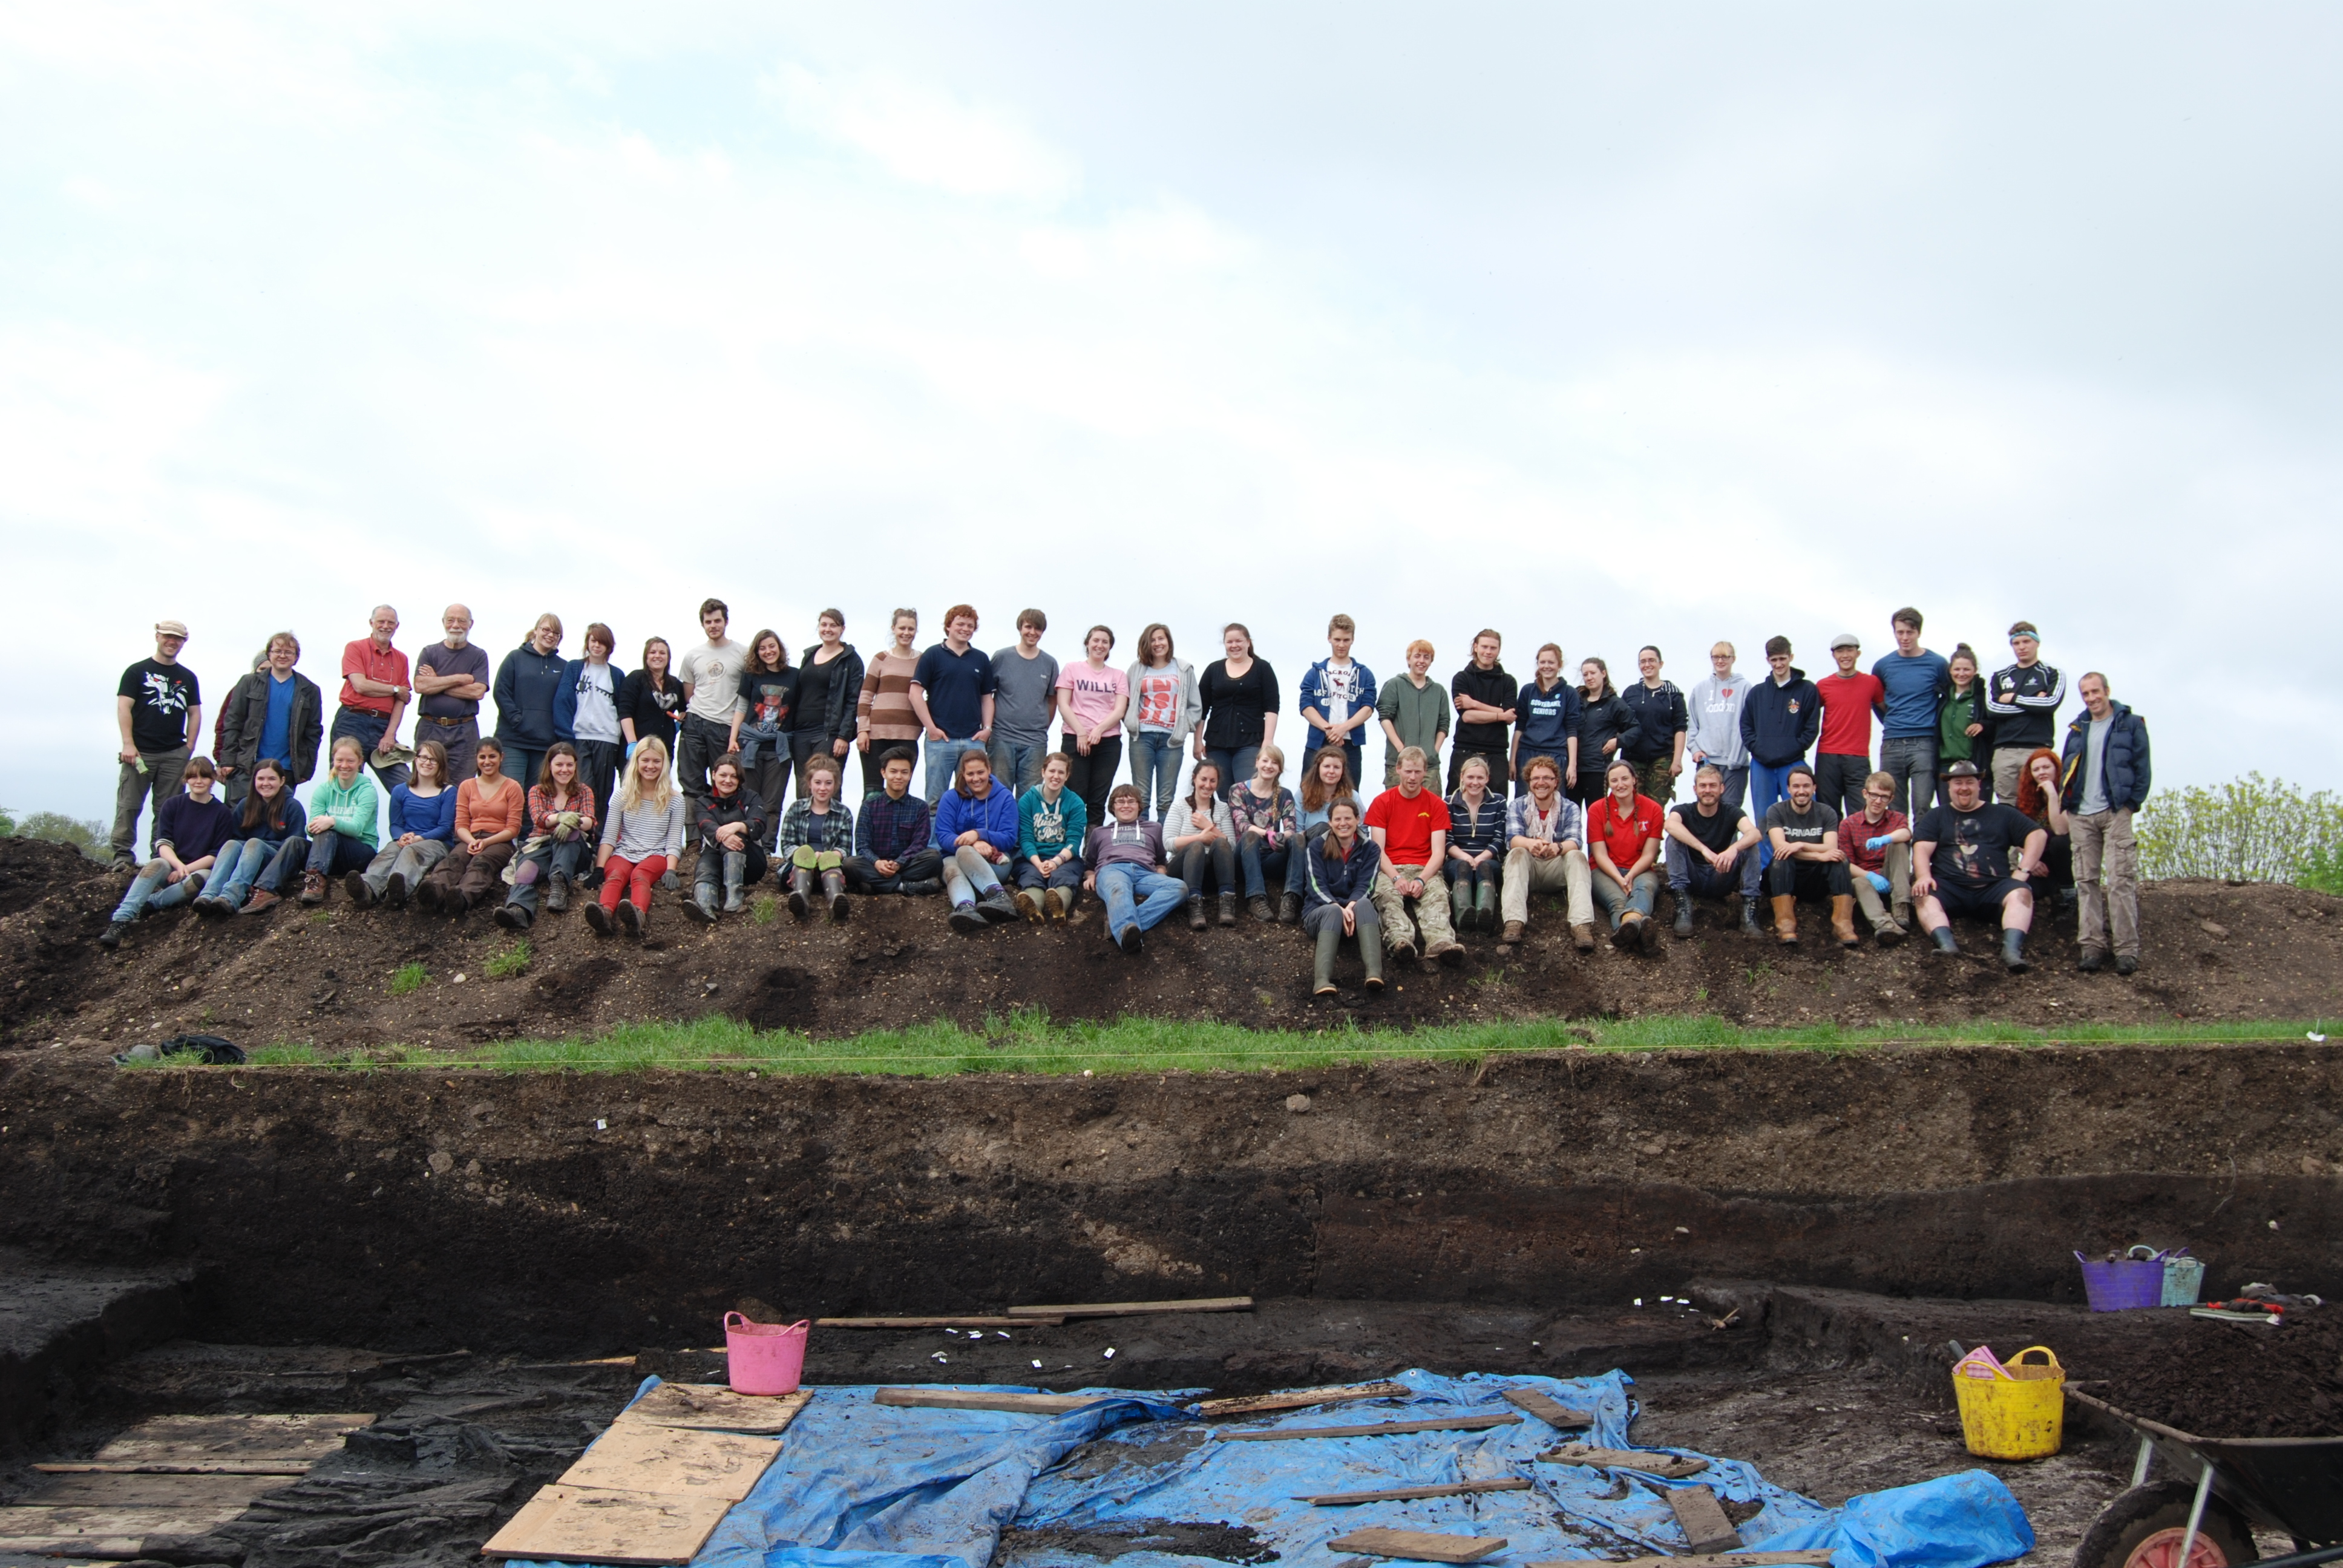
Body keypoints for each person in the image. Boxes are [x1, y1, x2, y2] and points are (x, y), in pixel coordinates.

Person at [1912, 760, 2048, 972]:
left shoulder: (2002, 813)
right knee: (1922, 895)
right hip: (1950, 888)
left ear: (1979, 785)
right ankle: (1947, 946)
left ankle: (2011, 951)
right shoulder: (1936, 816)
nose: (1964, 788)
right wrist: (1923, 875)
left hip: (1994, 889)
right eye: (1958, 783)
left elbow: (2038, 834)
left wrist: (2023, 871)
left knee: (2022, 892)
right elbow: (1921, 849)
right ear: (1949, 787)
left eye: (1969, 782)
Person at [2059, 672, 2151, 976]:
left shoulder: (2131, 724)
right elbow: (2067, 769)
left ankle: (2126, 950)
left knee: (2121, 880)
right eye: (2085, 694)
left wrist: (2130, 804)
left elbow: (2142, 767)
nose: (2091, 698)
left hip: (2115, 812)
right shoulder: (2076, 728)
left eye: (2095, 692)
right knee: (2086, 882)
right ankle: (2092, 947)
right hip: (2082, 814)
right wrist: (2068, 802)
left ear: (2107, 691)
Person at [98, 756, 235, 946]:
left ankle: (151, 903)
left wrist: (186, 870)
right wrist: (178, 866)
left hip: (197, 871)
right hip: (170, 867)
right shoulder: (173, 805)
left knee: (202, 878)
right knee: (156, 864)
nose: (198, 781)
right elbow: (163, 843)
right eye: (193, 777)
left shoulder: (222, 813)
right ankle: (121, 920)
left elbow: (215, 855)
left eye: (204, 777)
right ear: (186, 779)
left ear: (213, 779)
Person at [112, 619, 204, 870]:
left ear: (184, 643)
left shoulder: (187, 677)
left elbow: (194, 712)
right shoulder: (136, 671)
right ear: (157, 637)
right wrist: (128, 744)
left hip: (175, 753)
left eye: (178, 639)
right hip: (140, 752)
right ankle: (122, 855)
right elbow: (124, 707)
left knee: (168, 810)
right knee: (129, 805)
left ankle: (161, 858)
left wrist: (190, 747)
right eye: (167, 636)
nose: (172, 642)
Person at [1366, 746, 1463, 965]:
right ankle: (1400, 941)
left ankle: (1441, 943)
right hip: (1390, 868)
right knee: (1386, 899)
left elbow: (1439, 852)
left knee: (1438, 897)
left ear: (1425, 772)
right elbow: (1377, 850)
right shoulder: (1382, 803)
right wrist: (1396, 878)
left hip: (1424, 868)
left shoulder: (1436, 804)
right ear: (1398, 769)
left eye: (1418, 772)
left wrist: (1422, 879)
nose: (1413, 777)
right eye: (1408, 771)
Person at [588, 737, 686, 938]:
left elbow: (674, 839)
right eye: (645, 761)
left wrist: (671, 870)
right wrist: (599, 868)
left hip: (656, 854)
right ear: (637, 763)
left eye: (656, 761)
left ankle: (637, 915)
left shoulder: (676, 800)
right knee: (615, 874)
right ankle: (605, 914)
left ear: (664, 764)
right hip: (624, 851)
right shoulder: (622, 795)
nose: (650, 766)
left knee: (639, 875)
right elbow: (609, 835)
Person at [1498, 755, 1595, 955]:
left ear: (1556, 782)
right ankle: (1514, 922)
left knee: (1577, 856)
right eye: (1535, 779)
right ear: (1529, 782)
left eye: (1547, 778)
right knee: (1517, 852)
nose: (1541, 783)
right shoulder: (1518, 806)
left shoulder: (1570, 808)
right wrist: (1529, 843)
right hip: (1530, 869)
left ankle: (1582, 925)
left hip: (1556, 868)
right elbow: (1512, 838)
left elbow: (1575, 840)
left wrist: (1558, 848)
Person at [343, 740, 456, 910]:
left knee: (411, 851)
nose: (427, 762)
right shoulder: (400, 790)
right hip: (406, 840)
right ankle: (365, 890)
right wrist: (400, 836)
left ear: (441, 764)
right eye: (423, 757)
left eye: (433, 759)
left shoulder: (448, 792)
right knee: (390, 851)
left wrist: (418, 838)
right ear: (415, 760)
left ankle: (397, 892)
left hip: (437, 843)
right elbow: (395, 824)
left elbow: (445, 828)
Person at [417, 736, 523, 916]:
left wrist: (487, 843)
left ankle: (462, 898)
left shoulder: (512, 787)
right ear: (476, 758)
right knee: (454, 860)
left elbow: (513, 828)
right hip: (470, 838)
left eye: (492, 756)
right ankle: (433, 894)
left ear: (501, 757)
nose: (487, 762)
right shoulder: (467, 786)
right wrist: (472, 841)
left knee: (481, 863)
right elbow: (461, 824)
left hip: (499, 842)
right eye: (482, 757)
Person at [217, 631, 323, 809]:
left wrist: (307, 769)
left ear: (296, 657)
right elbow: (233, 722)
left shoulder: (309, 690)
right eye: (278, 651)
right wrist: (227, 760)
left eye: (289, 652)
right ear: (269, 654)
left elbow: (313, 732)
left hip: (287, 768)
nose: (283, 656)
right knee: (238, 818)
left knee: (277, 822)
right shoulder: (248, 682)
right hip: (247, 764)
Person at [496, 744, 597, 931]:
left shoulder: (584, 791)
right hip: (540, 845)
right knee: (525, 873)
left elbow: (590, 821)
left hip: (574, 850)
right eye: (559, 765)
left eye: (569, 765)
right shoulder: (537, 791)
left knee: (570, 833)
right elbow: (539, 819)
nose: (564, 770)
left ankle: (559, 889)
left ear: (575, 766)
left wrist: (570, 822)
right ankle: (518, 910)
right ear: (550, 766)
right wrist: (560, 817)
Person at [194, 757, 309, 916]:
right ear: (254, 780)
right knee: (231, 844)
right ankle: (208, 895)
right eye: (261, 779)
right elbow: (236, 837)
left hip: (276, 863)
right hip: (247, 860)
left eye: (272, 779)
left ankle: (231, 897)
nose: (266, 783)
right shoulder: (246, 805)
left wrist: (258, 846)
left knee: (254, 843)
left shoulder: (293, 807)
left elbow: (295, 847)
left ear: (282, 781)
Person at [1739, 637, 1820, 863]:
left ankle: (1803, 866)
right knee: (1764, 818)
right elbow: (1746, 726)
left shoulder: (1807, 690)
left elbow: (1811, 728)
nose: (1779, 664)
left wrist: (1793, 749)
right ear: (1768, 660)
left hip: (1793, 764)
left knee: (1799, 815)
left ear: (1791, 657)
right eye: (1774, 660)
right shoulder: (1757, 693)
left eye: (1783, 659)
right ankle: (1768, 870)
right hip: (1762, 764)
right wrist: (1757, 749)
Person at [912, 605, 998, 807]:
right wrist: (931, 728)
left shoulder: (981, 659)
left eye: (970, 625)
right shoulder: (933, 655)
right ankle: (934, 841)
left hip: (973, 740)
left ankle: (969, 839)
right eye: (960, 624)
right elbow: (915, 693)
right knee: (935, 800)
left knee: (975, 798)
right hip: (940, 740)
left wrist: (987, 729)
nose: (965, 629)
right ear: (949, 626)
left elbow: (987, 697)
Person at [1081, 785, 1184, 954]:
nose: (1126, 806)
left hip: (1145, 873)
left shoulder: (1154, 828)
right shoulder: (1100, 833)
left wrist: (1161, 873)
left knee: (1179, 887)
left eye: (1131, 801)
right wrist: (1091, 876)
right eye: (1120, 802)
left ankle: (1119, 924)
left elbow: (1160, 861)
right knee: (1119, 889)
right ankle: (1126, 935)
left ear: (1139, 806)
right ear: (1113, 807)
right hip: (1112, 870)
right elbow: (1090, 864)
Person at [280, 734, 381, 905]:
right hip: (329, 854)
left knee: (328, 832)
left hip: (361, 852)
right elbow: (311, 828)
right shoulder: (323, 789)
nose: (344, 766)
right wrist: (317, 826)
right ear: (333, 760)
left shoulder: (367, 790)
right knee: (294, 842)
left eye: (350, 761)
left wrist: (332, 821)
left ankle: (314, 883)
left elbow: (357, 829)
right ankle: (266, 889)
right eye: (340, 760)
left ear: (360, 762)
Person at [1663, 764, 1763, 937]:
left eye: (1713, 786)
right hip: (1692, 876)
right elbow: (1670, 824)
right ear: (1695, 789)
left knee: (1750, 846)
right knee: (1674, 840)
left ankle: (1749, 914)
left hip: (1721, 876)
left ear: (1722, 788)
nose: (1707, 790)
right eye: (1703, 786)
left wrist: (1733, 849)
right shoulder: (1683, 810)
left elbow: (1754, 833)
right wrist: (1703, 849)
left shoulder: (1732, 812)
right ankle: (1683, 908)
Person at [1763, 765, 1855, 947]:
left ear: (1814, 788)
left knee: (1839, 859)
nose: (1801, 791)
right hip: (1785, 876)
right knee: (1782, 859)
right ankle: (1786, 925)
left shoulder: (1826, 812)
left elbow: (1831, 847)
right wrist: (1819, 856)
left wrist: (1801, 844)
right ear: (1788, 789)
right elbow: (1780, 847)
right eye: (1796, 787)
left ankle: (1843, 925)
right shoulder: (1776, 811)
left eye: (1806, 786)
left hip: (1815, 880)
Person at [554, 623, 627, 852]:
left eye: (601, 642)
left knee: (604, 792)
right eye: (593, 641)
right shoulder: (575, 668)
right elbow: (563, 700)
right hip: (580, 737)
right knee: (584, 788)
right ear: (587, 643)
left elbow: (622, 709)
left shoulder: (616, 674)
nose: (597, 646)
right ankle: (583, 839)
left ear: (609, 646)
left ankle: (600, 844)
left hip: (608, 738)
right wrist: (567, 737)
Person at [1873, 607, 1952, 821]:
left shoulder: (1937, 664)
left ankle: (1920, 854)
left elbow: (1948, 699)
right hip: (1892, 742)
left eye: (1910, 632)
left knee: (1922, 806)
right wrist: (1892, 722)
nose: (1905, 638)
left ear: (1919, 633)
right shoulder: (1883, 666)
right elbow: (1877, 700)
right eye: (1900, 633)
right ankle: (1899, 855)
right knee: (1894, 810)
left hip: (1924, 743)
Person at [1303, 800, 1386, 997]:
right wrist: (1338, 908)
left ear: (1358, 820)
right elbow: (1316, 885)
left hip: (1355, 910)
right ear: (1330, 823)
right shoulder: (1317, 846)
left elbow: (1366, 885)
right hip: (1320, 912)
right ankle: (1322, 981)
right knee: (1333, 911)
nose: (1343, 823)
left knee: (1365, 903)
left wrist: (1349, 907)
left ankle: (1374, 973)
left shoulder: (1371, 849)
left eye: (1348, 818)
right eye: (1337, 819)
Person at [931, 748, 1020, 932]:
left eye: (981, 772)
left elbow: (1009, 838)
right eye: (970, 774)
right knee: (954, 867)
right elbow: (943, 834)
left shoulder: (1004, 798)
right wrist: (973, 843)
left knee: (964, 851)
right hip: (953, 858)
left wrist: (980, 834)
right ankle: (965, 909)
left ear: (989, 769)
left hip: (995, 861)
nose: (976, 778)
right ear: (963, 774)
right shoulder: (951, 798)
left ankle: (999, 898)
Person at [677, 598, 749, 809]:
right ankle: (694, 841)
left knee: (726, 783)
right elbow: (689, 694)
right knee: (691, 785)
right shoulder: (692, 656)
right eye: (708, 622)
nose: (713, 626)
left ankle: (721, 837)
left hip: (726, 726)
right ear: (703, 624)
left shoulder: (743, 653)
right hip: (696, 723)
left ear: (726, 622)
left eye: (717, 621)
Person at [1587, 759, 1665, 951]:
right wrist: (1619, 878)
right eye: (1614, 781)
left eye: (1625, 779)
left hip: (1639, 868)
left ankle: (1630, 930)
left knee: (1644, 888)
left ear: (1634, 780)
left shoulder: (1654, 809)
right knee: (1618, 901)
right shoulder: (1597, 810)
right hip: (1604, 870)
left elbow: (1649, 854)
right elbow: (1600, 854)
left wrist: (1630, 876)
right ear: (1609, 784)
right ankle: (1641, 939)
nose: (1620, 785)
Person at [331, 605, 411, 793]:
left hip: (383, 727)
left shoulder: (401, 659)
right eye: (381, 622)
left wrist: (390, 734)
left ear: (397, 626)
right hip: (352, 721)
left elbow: (403, 699)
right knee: (344, 781)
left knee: (406, 785)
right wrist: (394, 689)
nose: (385, 626)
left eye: (390, 623)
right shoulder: (355, 648)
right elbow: (360, 685)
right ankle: (334, 823)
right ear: (371, 623)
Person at [1194, 624, 1279, 802]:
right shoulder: (1213, 670)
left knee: (1247, 793)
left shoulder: (1262, 668)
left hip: (1250, 741)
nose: (1235, 645)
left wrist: (1268, 741)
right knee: (1225, 797)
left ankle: (1249, 831)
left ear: (1248, 642)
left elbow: (1272, 707)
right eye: (1229, 642)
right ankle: (1228, 831)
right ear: (1224, 644)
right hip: (1217, 743)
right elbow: (1201, 709)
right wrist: (1197, 741)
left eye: (1239, 641)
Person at [1124, 623, 1199, 822]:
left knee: (1166, 799)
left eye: (1161, 639)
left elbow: (1196, 706)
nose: (1158, 643)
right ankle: (1142, 847)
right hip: (1142, 737)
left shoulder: (1183, 668)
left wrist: (1183, 728)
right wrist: (1130, 721)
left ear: (1168, 641)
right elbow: (1125, 699)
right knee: (1141, 796)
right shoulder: (1137, 668)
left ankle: (1162, 849)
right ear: (1146, 644)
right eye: (1153, 640)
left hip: (1171, 741)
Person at [1057, 626, 1129, 831]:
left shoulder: (1118, 675)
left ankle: (1092, 851)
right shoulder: (1072, 669)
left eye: (1105, 642)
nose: (1100, 645)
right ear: (1087, 643)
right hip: (1075, 738)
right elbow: (1064, 704)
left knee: (1098, 800)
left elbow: (1120, 709)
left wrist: (1099, 730)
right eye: (1096, 640)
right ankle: (1070, 849)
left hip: (1108, 742)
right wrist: (1081, 731)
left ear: (1110, 647)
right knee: (1075, 797)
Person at [845, 749, 943, 895]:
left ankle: (876, 885)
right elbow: (862, 845)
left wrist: (899, 863)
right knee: (850, 864)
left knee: (934, 858)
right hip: (875, 864)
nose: (898, 777)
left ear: (910, 775)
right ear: (884, 773)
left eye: (904, 772)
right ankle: (904, 887)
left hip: (906, 864)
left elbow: (919, 843)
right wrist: (877, 862)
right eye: (893, 772)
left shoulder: (920, 807)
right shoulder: (869, 805)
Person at [411, 604, 491, 783]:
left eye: (462, 621)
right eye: (451, 620)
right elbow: (421, 686)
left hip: (465, 731)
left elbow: (478, 691)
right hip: (430, 727)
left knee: (461, 787)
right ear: (443, 623)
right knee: (424, 783)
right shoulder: (429, 653)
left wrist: (437, 681)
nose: (456, 625)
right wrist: (460, 678)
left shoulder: (478, 655)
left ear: (471, 624)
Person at [1988, 621, 2066, 804]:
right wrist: (2034, 702)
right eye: (2016, 643)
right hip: (2005, 749)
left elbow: (2051, 703)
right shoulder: (2001, 676)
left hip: (2037, 748)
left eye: (2026, 642)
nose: (2022, 647)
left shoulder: (2052, 673)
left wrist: (2014, 698)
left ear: (2037, 643)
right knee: (2007, 804)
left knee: (2040, 800)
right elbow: (1993, 709)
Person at [733, 630, 799, 849]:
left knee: (772, 802)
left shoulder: (795, 675)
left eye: (772, 646)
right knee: (748, 798)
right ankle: (746, 844)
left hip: (780, 747)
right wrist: (733, 738)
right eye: (762, 648)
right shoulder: (751, 675)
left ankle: (768, 848)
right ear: (756, 652)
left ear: (779, 648)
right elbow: (742, 707)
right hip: (751, 744)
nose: (768, 651)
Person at [685, 755, 768, 923]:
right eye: (723, 775)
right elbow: (706, 825)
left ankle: (735, 897)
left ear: (739, 780)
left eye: (733, 776)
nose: (728, 780)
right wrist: (724, 836)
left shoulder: (751, 797)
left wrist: (737, 826)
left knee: (735, 838)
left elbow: (759, 823)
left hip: (751, 862)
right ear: (714, 775)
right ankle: (705, 906)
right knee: (704, 865)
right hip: (715, 854)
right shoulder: (703, 802)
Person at [857, 609, 926, 806]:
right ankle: (867, 836)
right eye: (902, 628)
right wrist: (863, 729)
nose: (906, 633)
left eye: (911, 629)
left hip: (907, 735)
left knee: (900, 790)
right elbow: (865, 696)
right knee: (872, 792)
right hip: (876, 733)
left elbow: (928, 696)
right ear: (893, 629)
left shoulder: (923, 661)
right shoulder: (881, 659)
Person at [794, 610, 865, 803]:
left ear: (842, 629)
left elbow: (853, 700)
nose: (828, 629)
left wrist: (843, 735)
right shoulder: (809, 655)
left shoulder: (851, 660)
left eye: (833, 625)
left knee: (827, 787)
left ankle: (829, 832)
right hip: (801, 731)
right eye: (824, 625)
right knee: (804, 787)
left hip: (829, 733)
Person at [493, 613, 566, 797]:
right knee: (512, 794)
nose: (550, 635)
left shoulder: (564, 666)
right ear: (536, 630)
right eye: (546, 629)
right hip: (513, 739)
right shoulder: (515, 658)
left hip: (545, 744)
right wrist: (518, 720)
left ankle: (530, 828)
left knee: (537, 797)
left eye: (556, 633)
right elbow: (501, 691)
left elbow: (566, 702)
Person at [988, 608, 1060, 795]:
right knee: (999, 794)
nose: (1033, 632)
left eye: (1038, 629)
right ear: (1020, 628)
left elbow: (1052, 700)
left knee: (1030, 798)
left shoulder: (1050, 663)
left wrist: (1043, 726)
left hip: (1035, 741)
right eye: (1029, 627)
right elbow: (987, 695)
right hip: (1002, 737)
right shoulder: (1002, 657)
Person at [1300, 614, 1377, 786]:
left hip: (1350, 742)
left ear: (1353, 640)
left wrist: (1343, 729)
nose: (1341, 645)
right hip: (1318, 740)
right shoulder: (1315, 672)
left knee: (1351, 792)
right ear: (1329, 638)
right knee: (1308, 791)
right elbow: (1306, 706)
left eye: (1346, 640)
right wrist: (1329, 730)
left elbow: (1368, 707)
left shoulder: (1364, 674)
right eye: (1337, 639)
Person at [1814, 633, 1885, 819]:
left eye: (1849, 650)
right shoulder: (1823, 685)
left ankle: (1858, 849)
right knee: (1828, 813)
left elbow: (1887, 709)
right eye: (1840, 651)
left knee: (1861, 813)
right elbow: (1807, 714)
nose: (1845, 655)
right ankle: (1831, 849)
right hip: (1828, 755)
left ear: (1858, 653)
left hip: (1858, 757)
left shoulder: (1872, 683)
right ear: (1834, 655)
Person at [1229, 745, 1303, 924]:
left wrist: (1281, 838)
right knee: (1251, 836)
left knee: (1298, 838)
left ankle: (1291, 898)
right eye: (1265, 760)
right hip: (1244, 857)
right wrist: (1268, 833)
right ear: (1257, 763)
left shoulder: (1285, 794)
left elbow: (1290, 828)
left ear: (1280, 769)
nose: (1269, 766)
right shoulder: (1238, 790)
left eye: (1275, 762)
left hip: (1272, 858)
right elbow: (1242, 825)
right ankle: (1256, 898)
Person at [778, 755, 856, 923]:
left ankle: (837, 905)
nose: (823, 788)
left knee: (831, 868)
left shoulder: (844, 813)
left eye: (828, 783)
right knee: (803, 867)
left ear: (835, 785)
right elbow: (787, 844)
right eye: (818, 783)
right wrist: (806, 856)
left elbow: (845, 848)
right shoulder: (796, 809)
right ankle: (801, 903)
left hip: (829, 866)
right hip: (799, 866)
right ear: (809, 783)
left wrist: (830, 855)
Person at [1838, 770, 1913, 944]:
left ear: (1891, 799)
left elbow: (1906, 834)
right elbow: (1846, 863)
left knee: (1899, 844)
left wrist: (1887, 839)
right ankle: (1886, 926)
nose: (1878, 801)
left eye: (1884, 797)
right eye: (1874, 795)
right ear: (1865, 794)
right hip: (1865, 877)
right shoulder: (1849, 824)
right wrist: (1870, 875)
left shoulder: (1897, 818)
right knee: (1858, 882)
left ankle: (1901, 908)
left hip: (1892, 874)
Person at [1014, 752, 1087, 923]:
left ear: (1067, 776)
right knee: (1031, 877)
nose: (1056, 776)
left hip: (1065, 858)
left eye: (1061, 772)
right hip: (1032, 858)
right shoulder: (1027, 800)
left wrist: (1056, 862)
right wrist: (1038, 863)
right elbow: (1025, 838)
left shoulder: (1075, 802)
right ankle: (1035, 909)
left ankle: (1059, 908)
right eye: (1052, 771)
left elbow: (1074, 842)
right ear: (1043, 772)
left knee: (1064, 878)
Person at [1167, 760, 1239, 929]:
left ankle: (1227, 903)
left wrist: (1209, 826)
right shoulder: (1179, 806)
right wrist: (1199, 837)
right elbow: (1168, 843)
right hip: (1182, 871)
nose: (1208, 785)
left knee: (1222, 842)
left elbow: (1232, 847)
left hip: (1212, 872)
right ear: (1194, 779)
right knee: (1197, 846)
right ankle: (1194, 905)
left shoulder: (1222, 809)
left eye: (1213, 781)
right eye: (1203, 779)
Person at [1443, 754, 1507, 934]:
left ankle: (1484, 914)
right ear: (1462, 777)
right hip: (1457, 860)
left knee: (1485, 867)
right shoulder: (1449, 802)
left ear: (1487, 779)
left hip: (1488, 858)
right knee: (1463, 867)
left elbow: (1499, 839)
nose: (1475, 782)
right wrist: (1466, 857)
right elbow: (1447, 840)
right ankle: (1463, 915)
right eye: (1470, 777)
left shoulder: (1499, 802)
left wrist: (1480, 858)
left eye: (1480, 778)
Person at [1448, 630, 1517, 792]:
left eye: (1493, 648)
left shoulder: (1508, 682)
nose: (1488, 652)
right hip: (1465, 749)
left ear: (1499, 650)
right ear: (1476, 647)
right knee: (1456, 803)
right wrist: (1501, 715)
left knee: (1497, 805)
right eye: (1484, 647)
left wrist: (1474, 704)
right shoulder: (1462, 678)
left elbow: (1510, 716)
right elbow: (1468, 716)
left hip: (1497, 752)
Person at [1620, 646, 1689, 806]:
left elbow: (1680, 728)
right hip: (1633, 758)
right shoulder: (1631, 693)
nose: (1647, 665)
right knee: (1631, 806)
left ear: (1661, 664)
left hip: (1662, 758)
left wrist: (1677, 760)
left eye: (1651, 660)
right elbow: (1620, 724)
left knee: (1655, 808)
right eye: (1643, 661)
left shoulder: (1674, 695)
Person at [1685, 643, 1752, 809]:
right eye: (1716, 657)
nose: (1720, 661)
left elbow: (1748, 726)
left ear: (1733, 659)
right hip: (1707, 762)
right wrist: (1695, 750)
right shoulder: (1700, 689)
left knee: (1731, 813)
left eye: (1725, 657)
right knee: (1707, 810)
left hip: (1735, 765)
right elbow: (1693, 724)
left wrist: (1736, 759)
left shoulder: (1745, 688)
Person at [1378, 639, 1450, 789]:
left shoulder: (1439, 691)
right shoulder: (1394, 685)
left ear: (1431, 661)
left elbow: (1444, 724)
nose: (1421, 661)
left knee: (1429, 810)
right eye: (1417, 656)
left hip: (1429, 767)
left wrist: (1433, 750)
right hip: (1398, 763)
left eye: (1426, 657)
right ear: (1409, 659)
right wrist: (1401, 748)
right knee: (1397, 809)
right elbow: (1385, 717)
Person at [2012, 748, 2075, 915]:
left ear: (2056, 768)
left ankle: (2070, 895)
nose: (2042, 772)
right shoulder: (2026, 799)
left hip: (2066, 860)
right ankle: (2053, 893)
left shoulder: (2068, 793)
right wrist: (2031, 861)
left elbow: (2061, 830)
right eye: (2036, 769)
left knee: (2059, 842)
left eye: (2046, 767)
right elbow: (2017, 837)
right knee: (2031, 890)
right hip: (2041, 863)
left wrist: (2053, 796)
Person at [1510, 645, 1578, 800]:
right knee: (1524, 803)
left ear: (1559, 665)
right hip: (1527, 752)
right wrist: (1512, 761)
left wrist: (1572, 765)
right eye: (1543, 662)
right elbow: (1519, 727)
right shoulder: (1528, 690)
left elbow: (1572, 730)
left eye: (1551, 662)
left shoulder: (1569, 693)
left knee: (1555, 803)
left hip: (1556, 754)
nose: (1547, 666)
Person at [1936, 645, 1995, 803]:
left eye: (1966, 669)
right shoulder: (1942, 698)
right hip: (1945, 764)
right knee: (1948, 814)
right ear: (1950, 670)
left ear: (1975, 670)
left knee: (1979, 813)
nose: (1961, 674)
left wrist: (1983, 725)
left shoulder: (1983, 696)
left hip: (1974, 763)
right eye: (1957, 669)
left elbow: (1997, 723)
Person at [1572, 658, 1632, 807]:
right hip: (1573, 768)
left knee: (1598, 816)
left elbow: (1635, 729)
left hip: (1598, 769)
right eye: (1585, 674)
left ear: (1603, 673)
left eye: (1593, 673)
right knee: (1569, 817)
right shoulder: (1575, 700)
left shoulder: (1615, 703)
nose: (1589, 678)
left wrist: (1618, 741)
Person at [618, 636, 685, 766]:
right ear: (646, 657)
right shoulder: (635, 679)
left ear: (668, 657)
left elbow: (686, 709)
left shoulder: (675, 684)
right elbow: (625, 712)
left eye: (662, 653)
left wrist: (678, 723)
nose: (657, 656)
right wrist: (632, 743)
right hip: (639, 748)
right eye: (653, 652)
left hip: (664, 750)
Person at [1297, 745, 1362, 841]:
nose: (1331, 771)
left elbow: (1361, 829)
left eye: (1336, 767)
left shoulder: (1352, 796)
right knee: (1323, 828)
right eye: (1327, 766)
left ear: (1343, 771)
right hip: (1309, 848)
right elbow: (1296, 832)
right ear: (1318, 768)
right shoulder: (1303, 793)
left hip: (1342, 847)